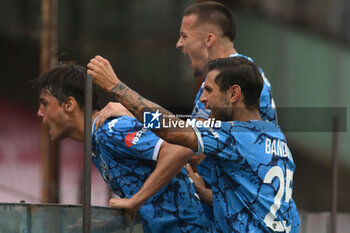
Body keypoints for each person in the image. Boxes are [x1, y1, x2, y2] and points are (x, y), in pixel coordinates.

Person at [95, 1, 278, 225]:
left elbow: (182, 142)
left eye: (184, 36)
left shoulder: (230, 82)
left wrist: (136, 199)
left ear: (208, 39)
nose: (178, 44)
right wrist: (136, 114)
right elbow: (187, 131)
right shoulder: (243, 74)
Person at [87, 55, 300, 232]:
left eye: (208, 90)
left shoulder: (235, 136)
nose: (203, 100)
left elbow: (170, 130)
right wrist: (203, 192)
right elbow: (254, 205)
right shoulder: (275, 137)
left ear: (234, 93)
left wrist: (116, 88)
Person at [33, 64, 212, 233]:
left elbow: (180, 148)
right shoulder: (97, 142)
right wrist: (105, 224)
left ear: (68, 105)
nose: (40, 112)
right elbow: (150, 202)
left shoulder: (111, 129)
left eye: (45, 103)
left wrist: (135, 200)